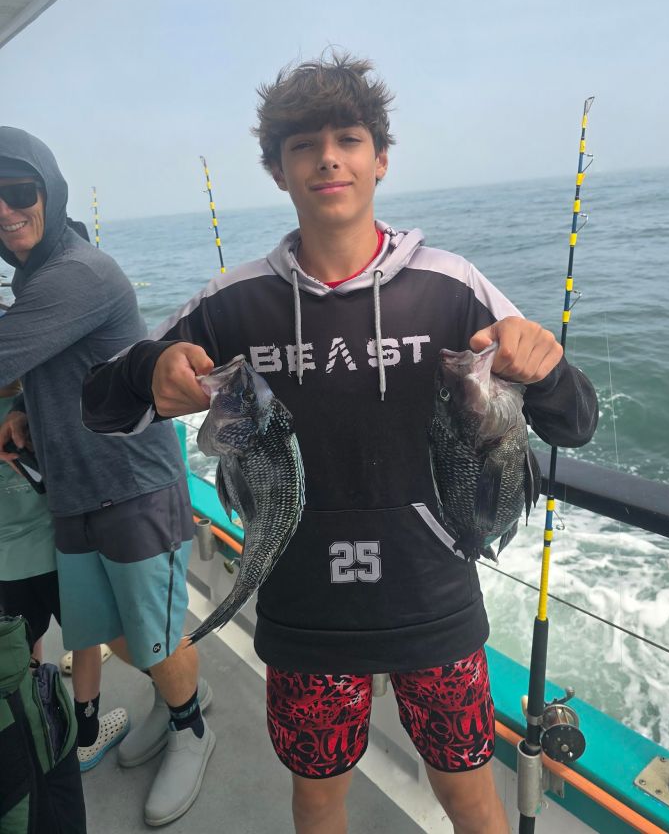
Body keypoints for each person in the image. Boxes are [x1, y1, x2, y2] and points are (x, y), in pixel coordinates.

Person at [82, 53, 598, 834]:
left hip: (435, 604)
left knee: (468, 794)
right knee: (318, 797)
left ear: (379, 160)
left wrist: (547, 366)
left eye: (349, 138)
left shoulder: (452, 284)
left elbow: (574, 423)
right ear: (279, 171)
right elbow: (101, 407)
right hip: (303, 613)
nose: (328, 156)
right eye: (304, 145)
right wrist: (150, 371)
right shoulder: (234, 304)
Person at [0, 128, 215, 827]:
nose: (5, 210)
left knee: (149, 632)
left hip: (132, 484)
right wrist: (29, 412)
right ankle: (173, 702)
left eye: (19, 191)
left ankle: (192, 726)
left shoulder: (78, 272)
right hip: (72, 486)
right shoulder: (32, 278)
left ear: (49, 192)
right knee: (114, 627)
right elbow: (60, 365)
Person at [0, 355, 120, 773]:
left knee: (22, 642)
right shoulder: (39, 405)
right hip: (61, 554)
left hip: (6, 566)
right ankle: (86, 738)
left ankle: (37, 724)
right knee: (85, 639)